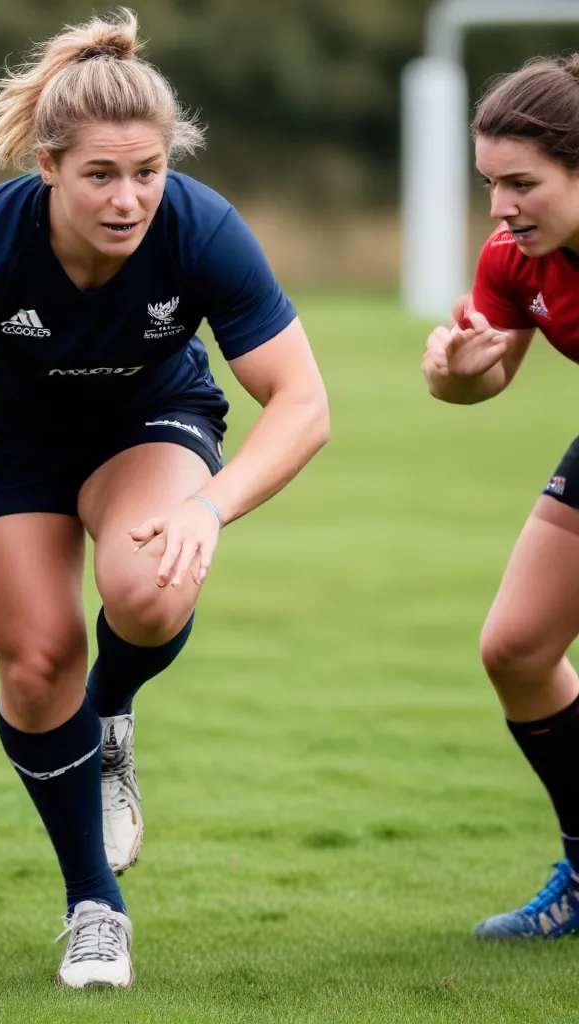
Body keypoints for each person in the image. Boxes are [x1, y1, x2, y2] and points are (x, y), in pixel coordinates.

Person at [0, 10, 329, 988]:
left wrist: (208, 506)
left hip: (148, 421)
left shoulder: (199, 227)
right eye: (101, 174)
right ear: (48, 166)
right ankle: (94, 904)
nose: (129, 196)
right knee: (36, 659)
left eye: (146, 172)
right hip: (3, 446)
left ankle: (112, 714)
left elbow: (302, 403)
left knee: (147, 587)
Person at [422, 53, 579, 938]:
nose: (500, 207)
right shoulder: (515, 257)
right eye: (489, 182)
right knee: (518, 648)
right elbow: (489, 375)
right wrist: (451, 374)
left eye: (523, 183)